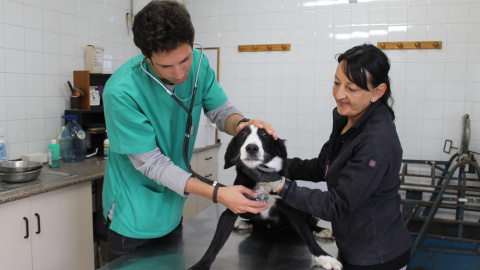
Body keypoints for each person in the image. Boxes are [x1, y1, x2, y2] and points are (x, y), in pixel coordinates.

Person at [101, 0, 274, 261]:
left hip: (171, 209)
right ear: (146, 58)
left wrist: (242, 126)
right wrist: (218, 193)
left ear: (192, 41)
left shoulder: (199, 66)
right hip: (134, 217)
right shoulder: (121, 92)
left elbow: (221, 111)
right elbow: (153, 164)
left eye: (184, 60)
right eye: (166, 67)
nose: (181, 73)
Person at [259, 44, 411, 270]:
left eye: (352, 89)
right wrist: (276, 165)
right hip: (353, 245)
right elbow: (323, 167)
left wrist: (282, 187)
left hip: (377, 256)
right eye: (337, 83)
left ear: (377, 92)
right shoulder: (348, 118)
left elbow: (338, 204)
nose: (340, 95)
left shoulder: (377, 141)